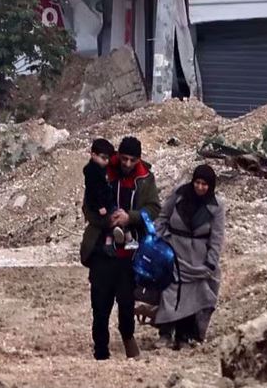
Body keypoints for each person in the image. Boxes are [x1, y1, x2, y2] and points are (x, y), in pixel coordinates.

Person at [80, 136, 160, 361]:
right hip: (102, 252)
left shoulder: (145, 179)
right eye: (123, 159)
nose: (126, 164)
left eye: (131, 160)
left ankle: (127, 338)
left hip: (130, 255)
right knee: (100, 304)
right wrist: (108, 222)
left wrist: (130, 217)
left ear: (139, 159)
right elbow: (88, 207)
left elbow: (154, 209)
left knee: (126, 303)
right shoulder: (102, 172)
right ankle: (101, 351)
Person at [154, 164, 225, 350]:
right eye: (197, 182)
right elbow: (163, 217)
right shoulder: (180, 195)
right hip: (174, 251)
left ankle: (185, 336)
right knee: (169, 292)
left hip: (197, 259)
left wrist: (210, 262)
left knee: (192, 296)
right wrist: (161, 239)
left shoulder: (216, 206)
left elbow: (216, 237)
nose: (200, 187)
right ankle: (165, 333)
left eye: (204, 184)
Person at [83, 139, 127, 256]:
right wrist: (99, 206)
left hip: (107, 201)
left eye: (108, 159)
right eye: (103, 158)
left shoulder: (101, 169)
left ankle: (120, 236)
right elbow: (92, 192)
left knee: (116, 214)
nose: (106, 162)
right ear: (93, 155)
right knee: (110, 219)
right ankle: (111, 241)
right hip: (100, 205)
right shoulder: (91, 172)